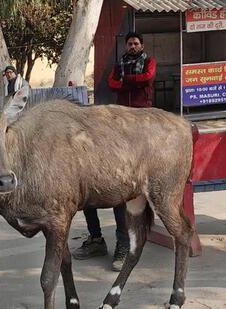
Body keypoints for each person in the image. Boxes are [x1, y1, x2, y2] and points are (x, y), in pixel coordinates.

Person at [72, 31, 156, 272]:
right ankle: (96, 240)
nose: (132, 46)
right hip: (122, 120)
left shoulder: (148, 62)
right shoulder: (119, 64)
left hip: (142, 120)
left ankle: (123, 244)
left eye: (136, 43)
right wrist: (132, 80)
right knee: (85, 190)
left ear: (142, 45)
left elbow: (147, 79)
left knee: (121, 192)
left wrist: (129, 81)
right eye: (129, 43)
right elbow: (112, 83)